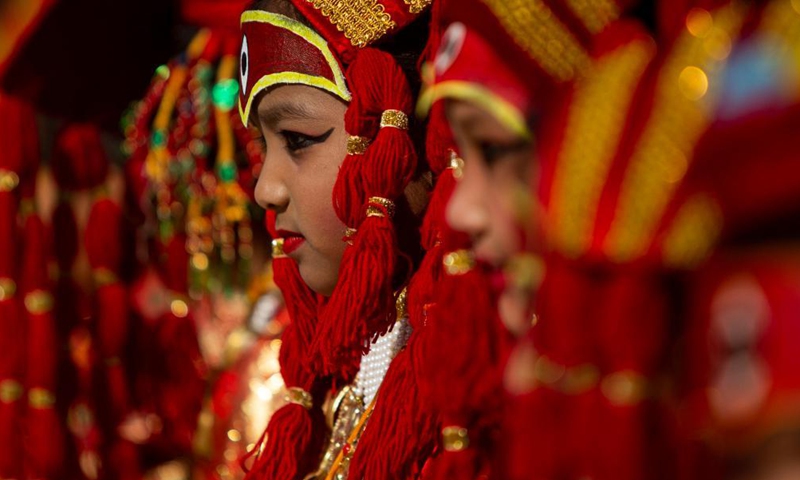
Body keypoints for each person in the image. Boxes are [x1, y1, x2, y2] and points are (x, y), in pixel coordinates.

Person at [237, 0, 439, 478]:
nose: (266, 190)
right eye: (263, 147)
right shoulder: (342, 376)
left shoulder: (479, 396)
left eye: (298, 139)